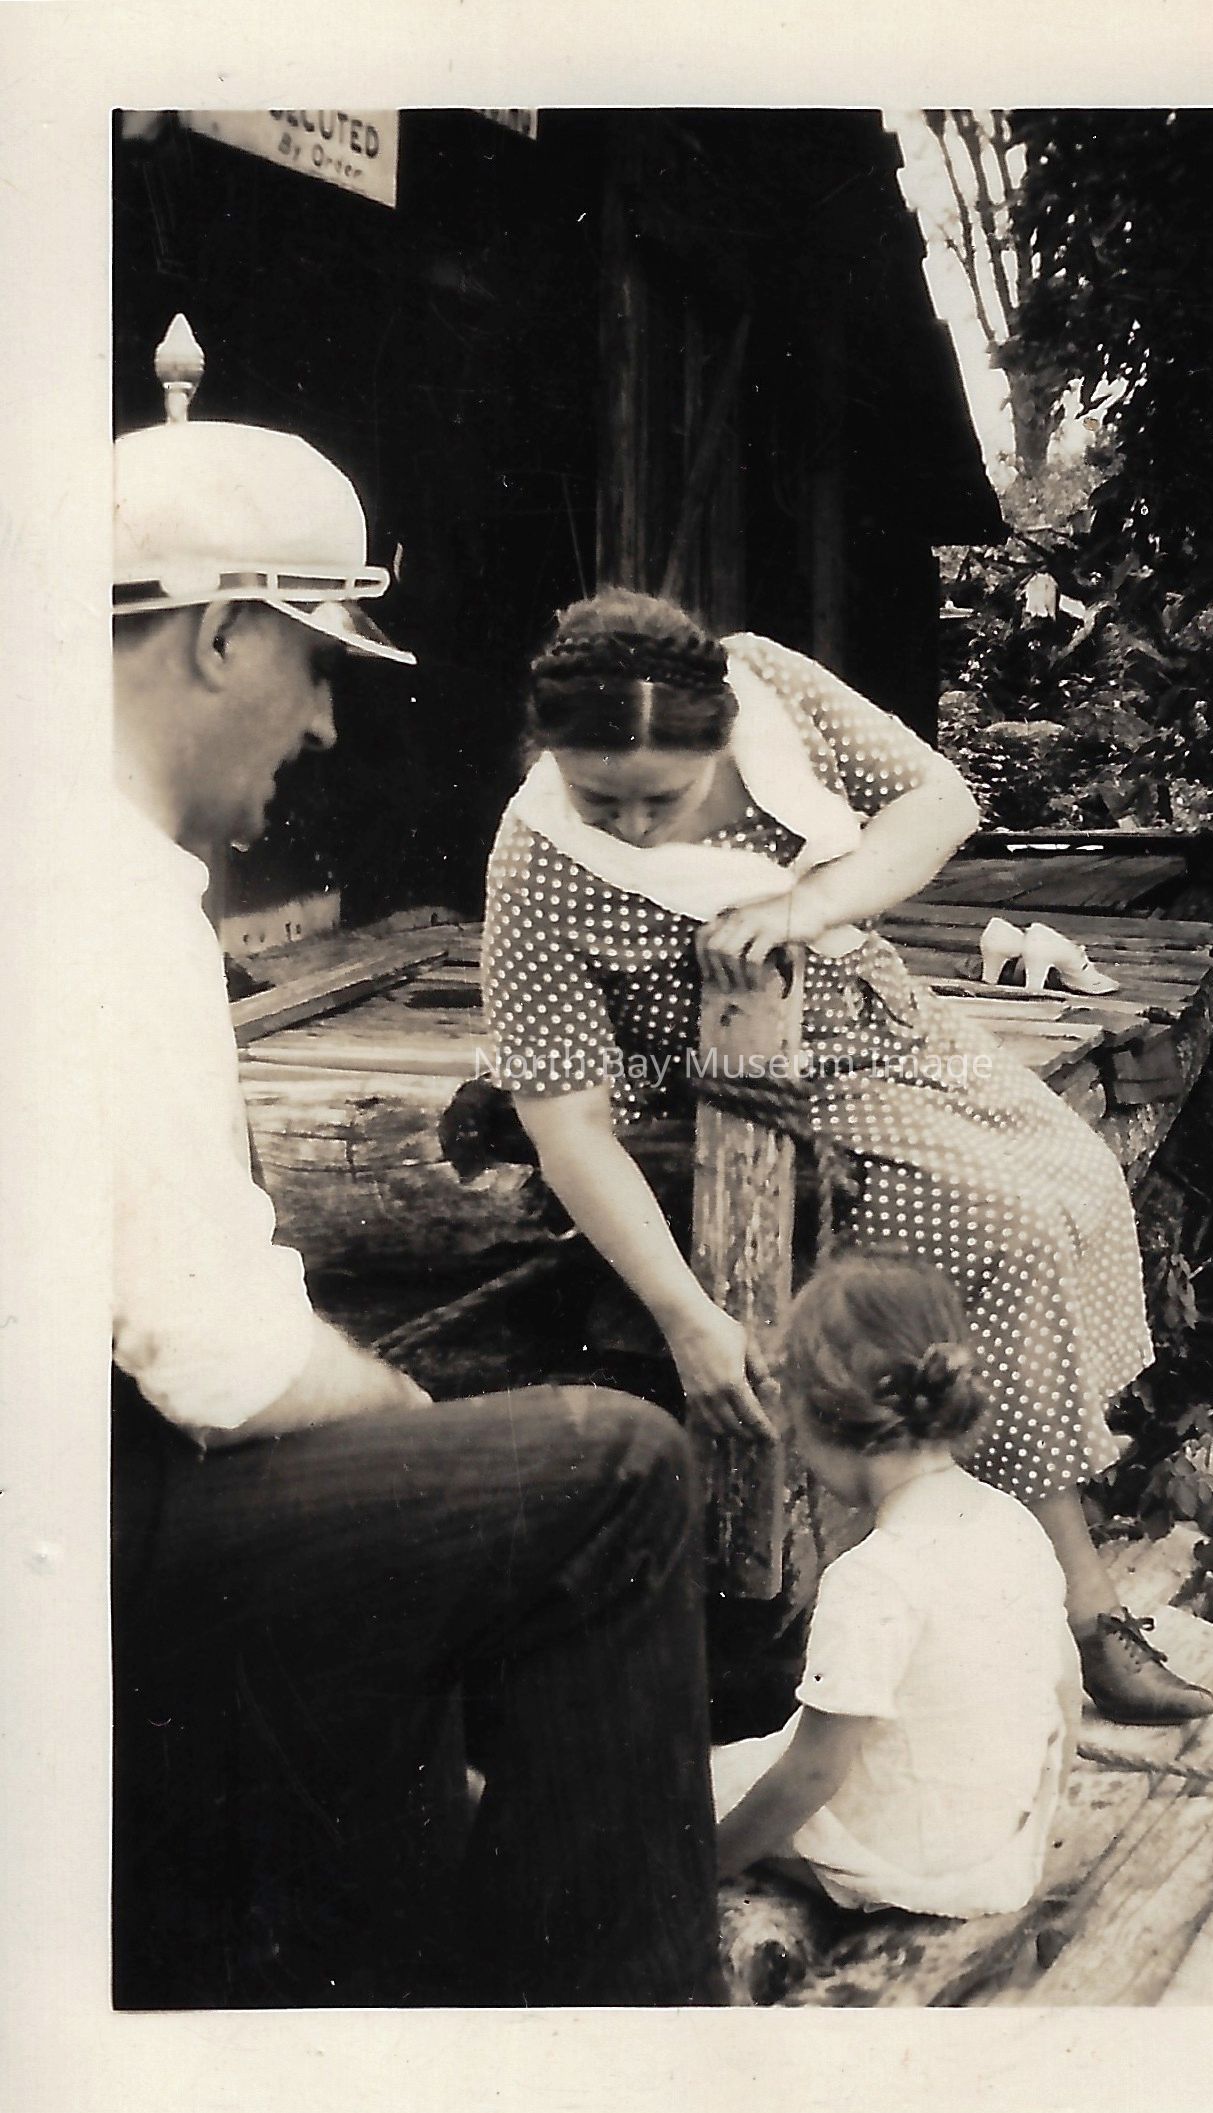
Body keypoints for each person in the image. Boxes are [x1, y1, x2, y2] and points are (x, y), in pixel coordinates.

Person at [109, 325, 720, 2007]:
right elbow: (217, 1358)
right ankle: (624, 2037)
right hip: (80, 1537)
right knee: (607, 1470)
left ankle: (387, 1935)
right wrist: (404, 1415)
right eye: (317, 665)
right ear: (221, 632)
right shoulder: (108, 896)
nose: (323, 725)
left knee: (421, 1505)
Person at [479, 587, 1213, 1724]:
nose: (630, 826)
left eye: (660, 797)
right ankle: (1080, 1612)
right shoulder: (540, 864)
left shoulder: (770, 688)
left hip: (891, 1020)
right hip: (770, 1091)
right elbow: (564, 1121)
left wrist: (810, 900)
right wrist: (685, 1316)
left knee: (1079, 1181)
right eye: (598, 797)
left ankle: (990, 1564)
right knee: (1007, 1234)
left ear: (722, 733)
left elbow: (939, 799)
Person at [713, 1253, 1080, 1915]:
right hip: (995, 1854)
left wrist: (698, 1870)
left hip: (905, 1865)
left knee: (698, 1783)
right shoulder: (1013, 1521)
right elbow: (1065, 1685)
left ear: (821, 1418)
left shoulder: (873, 1575)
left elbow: (814, 1771)